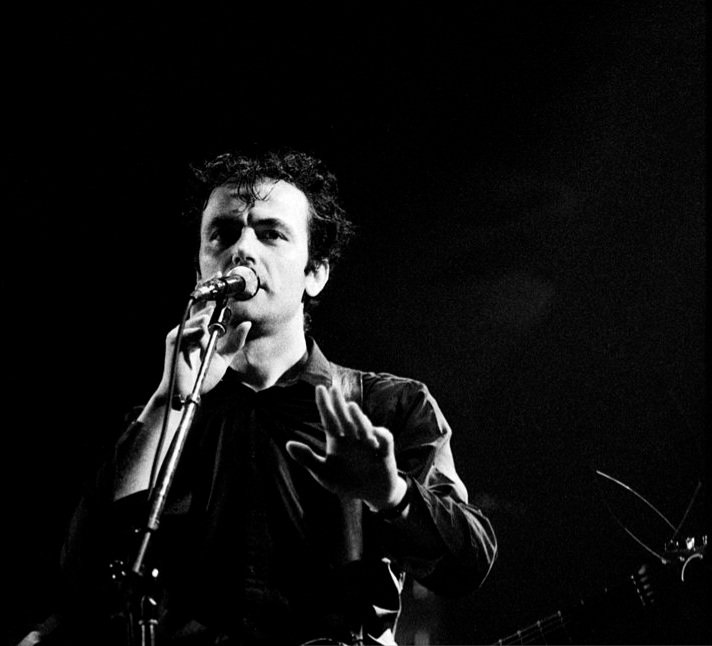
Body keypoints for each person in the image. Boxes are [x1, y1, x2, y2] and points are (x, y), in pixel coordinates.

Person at [18, 150, 497, 646]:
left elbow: (468, 565)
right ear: (201, 266)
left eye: (271, 233)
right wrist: (169, 400)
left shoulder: (386, 405)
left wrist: (391, 494)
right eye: (223, 234)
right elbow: (84, 579)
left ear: (315, 273)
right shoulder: (161, 421)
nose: (241, 249)